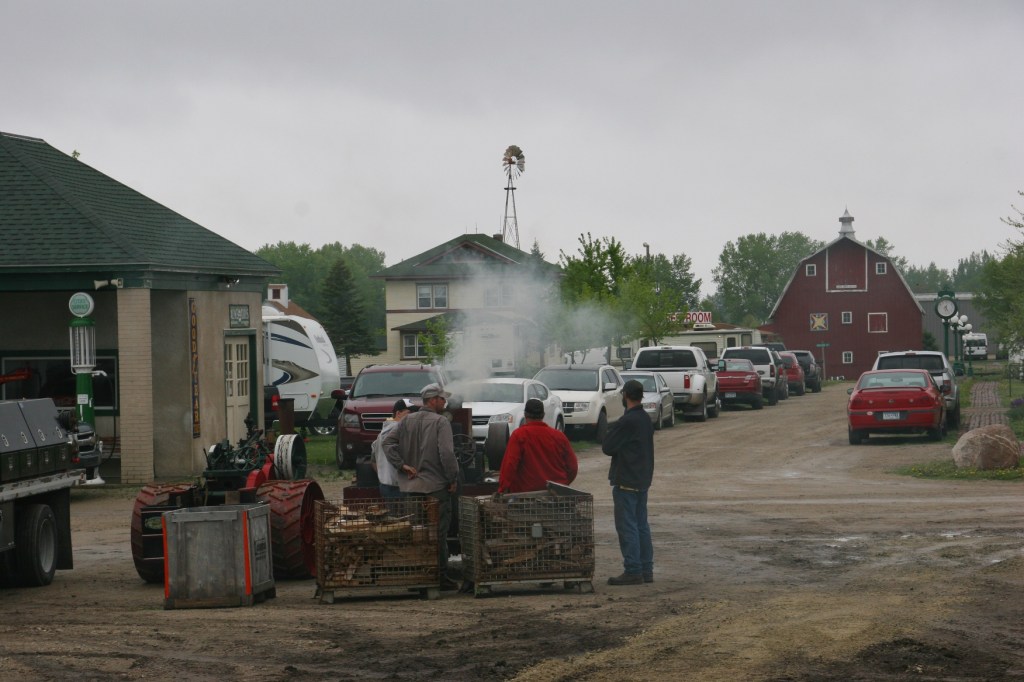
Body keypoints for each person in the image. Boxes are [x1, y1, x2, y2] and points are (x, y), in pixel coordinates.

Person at [382, 382, 460, 589]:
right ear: (433, 400)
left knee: (417, 533)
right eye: (442, 398)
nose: (445, 402)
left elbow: (387, 443)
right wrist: (453, 478)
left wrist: (402, 466)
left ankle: (419, 575)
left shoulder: (407, 421)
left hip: (411, 487)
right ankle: (440, 578)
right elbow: (447, 453)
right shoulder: (440, 422)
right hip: (435, 488)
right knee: (438, 533)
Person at [601, 379, 655, 586]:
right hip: (642, 479)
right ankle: (646, 569)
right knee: (641, 525)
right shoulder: (644, 419)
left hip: (627, 480)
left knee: (628, 526)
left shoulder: (628, 421)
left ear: (625, 395)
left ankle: (633, 570)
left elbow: (607, 446)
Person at [498, 398, 578, 493]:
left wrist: (502, 490)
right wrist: (563, 485)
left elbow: (509, 466)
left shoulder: (519, 436)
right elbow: (573, 467)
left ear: (525, 414)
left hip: (526, 496)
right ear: (543, 415)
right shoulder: (559, 436)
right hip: (556, 495)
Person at [371, 398, 417, 499]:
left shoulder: (380, 434)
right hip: (398, 486)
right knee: (404, 515)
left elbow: (373, 460)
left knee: (392, 515)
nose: (412, 416)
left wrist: (383, 475)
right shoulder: (401, 430)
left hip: (385, 485)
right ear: (398, 413)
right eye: (409, 413)